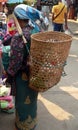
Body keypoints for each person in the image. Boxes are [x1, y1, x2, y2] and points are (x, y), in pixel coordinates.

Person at [3, 4, 43, 130]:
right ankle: (32, 122)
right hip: (35, 73)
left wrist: (8, 73)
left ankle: (23, 125)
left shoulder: (19, 37)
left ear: (19, 18)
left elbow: (15, 62)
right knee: (31, 99)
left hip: (23, 77)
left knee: (22, 100)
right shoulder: (35, 29)